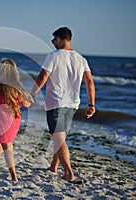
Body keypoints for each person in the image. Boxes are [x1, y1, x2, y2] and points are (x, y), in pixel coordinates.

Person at [31, 27, 95, 182]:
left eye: (54, 40)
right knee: (60, 137)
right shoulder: (81, 59)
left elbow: (43, 76)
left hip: (56, 102)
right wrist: (91, 104)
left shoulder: (54, 55)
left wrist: (30, 94)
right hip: (72, 104)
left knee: (59, 139)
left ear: (59, 39)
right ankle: (54, 166)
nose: (53, 43)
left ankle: (69, 173)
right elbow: (90, 82)